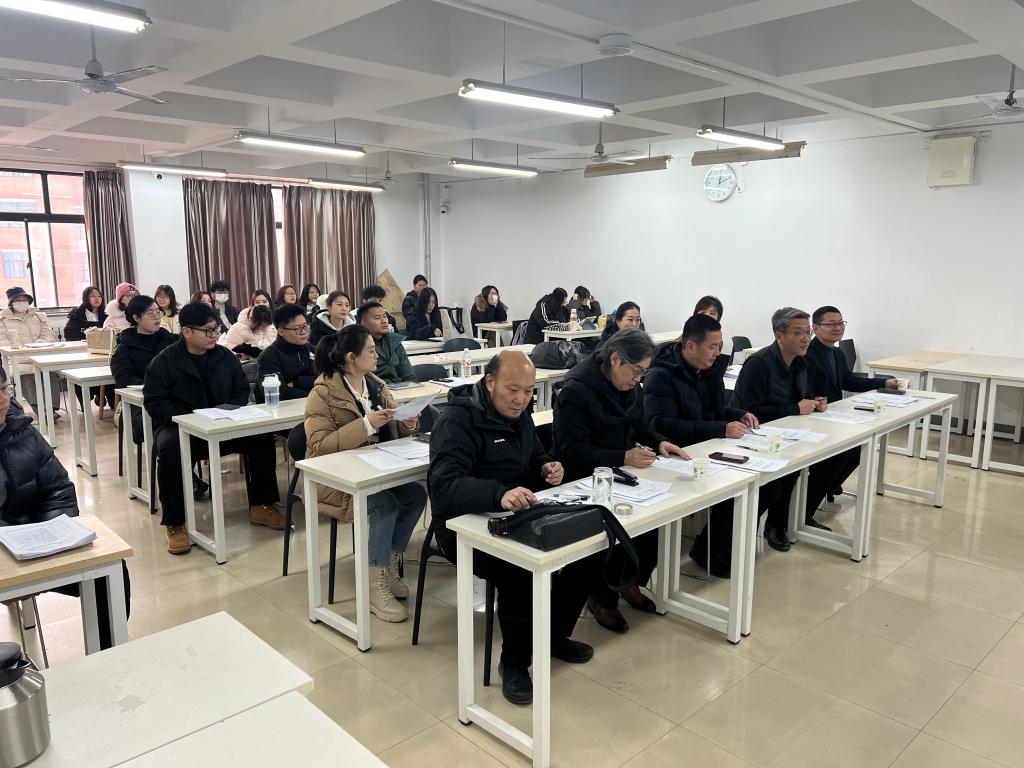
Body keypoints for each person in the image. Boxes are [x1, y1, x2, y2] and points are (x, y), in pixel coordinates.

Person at [429, 350, 596, 705]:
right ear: (490, 383)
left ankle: (552, 637)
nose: (521, 399)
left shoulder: (519, 415)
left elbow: (533, 455)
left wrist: (546, 466)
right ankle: (514, 662)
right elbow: (444, 486)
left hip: (516, 513)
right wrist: (498, 494)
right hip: (461, 525)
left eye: (529, 391)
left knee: (588, 550)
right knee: (519, 568)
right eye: (513, 390)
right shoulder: (457, 421)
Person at [553, 329, 690, 633]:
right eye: (637, 371)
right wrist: (624, 456)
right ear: (615, 359)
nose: (639, 379)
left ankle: (630, 581)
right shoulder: (577, 390)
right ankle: (601, 597)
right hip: (584, 477)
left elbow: (638, 425)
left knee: (658, 519)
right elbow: (573, 451)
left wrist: (659, 442)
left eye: (644, 372)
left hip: (621, 471)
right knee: (615, 527)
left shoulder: (628, 384)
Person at [645, 314, 788, 577]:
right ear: (690, 346)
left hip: (710, 447)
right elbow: (663, 424)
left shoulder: (709, 371)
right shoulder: (661, 375)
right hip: (680, 454)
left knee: (769, 485)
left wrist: (739, 414)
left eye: (720, 346)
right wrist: (720, 428)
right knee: (735, 486)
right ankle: (708, 549)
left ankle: (718, 544)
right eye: (712, 347)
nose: (717, 353)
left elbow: (716, 408)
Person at [0, 367, 130, 650]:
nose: (2, 399)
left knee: (108, 570)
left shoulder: (21, 430)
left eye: (3, 389)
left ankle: (111, 657)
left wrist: (51, 534)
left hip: (28, 543)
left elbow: (57, 489)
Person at [305, 325, 426, 622]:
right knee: (384, 505)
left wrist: (407, 423)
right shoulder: (323, 393)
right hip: (338, 477)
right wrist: (366, 425)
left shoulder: (376, 384)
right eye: (370, 350)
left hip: (378, 467)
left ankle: (389, 565)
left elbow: (395, 425)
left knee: (415, 495)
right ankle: (375, 584)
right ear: (351, 357)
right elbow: (320, 446)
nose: (376, 355)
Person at [144, 302, 283, 554]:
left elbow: (241, 390)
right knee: (170, 451)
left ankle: (262, 505)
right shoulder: (163, 362)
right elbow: (155, 403)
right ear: (187, 331)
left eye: (216, 329)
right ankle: (175, 523)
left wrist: (229, 410)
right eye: (208, 330)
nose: (214, 335)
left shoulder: (225, 356)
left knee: (260, 437)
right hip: (181, 427)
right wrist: (189, 418)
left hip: (224, 422)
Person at [730, 307, 826, 551]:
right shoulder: (759, 364)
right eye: (798, 333)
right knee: (782, 473)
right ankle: (762, 528)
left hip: (785, 433)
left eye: (808, 333)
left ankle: (780, 522)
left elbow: (802, 397)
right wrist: (795, 408)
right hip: (750, 434)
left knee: (807, 462)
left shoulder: (801, 362)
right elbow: (750, 410)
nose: (805, 339)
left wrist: (814, 402)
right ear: (779, 335)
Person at [804, 305, 899, 521]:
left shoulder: (837, 353)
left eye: (840, 323)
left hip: (833, 414)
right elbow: (804, 389)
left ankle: (831, 484)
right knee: (835, 458)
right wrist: (815, 402)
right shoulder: (809, 353)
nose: (837, 328)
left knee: (859, 447)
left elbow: (848, 381)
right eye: (831, 324)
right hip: (815, 416)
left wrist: (882, 383)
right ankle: (806, 509)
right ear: (815, 328)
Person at [110, 295, 183, 485]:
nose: (157, 317)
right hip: (138, 408)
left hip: (171, 402)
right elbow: (124, 379)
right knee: (167, 429)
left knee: (181, 421)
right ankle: (185, 481)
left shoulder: (171, 341)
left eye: (158, 312)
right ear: (136, 318)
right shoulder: (124, 348)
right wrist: (156, 383)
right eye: (150, 313)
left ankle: (185, 479)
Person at [0, 286, 60, 418]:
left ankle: (51, 409)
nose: (22, 303)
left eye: (24, 300)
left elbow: (48, 336)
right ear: (11, 303)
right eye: (18, 300)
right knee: (25, 373)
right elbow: (3, 343)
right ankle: (42, 411)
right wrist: (23, 350)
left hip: (41, 355)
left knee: (50, 372)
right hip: (17, 359)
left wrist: (34, 347)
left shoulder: (39, 316)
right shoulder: (2, 320)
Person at [256, 304, 316, 402]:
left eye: (305, 326)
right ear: (281, 331)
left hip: (315, 405)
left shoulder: (313, 350)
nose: (304, 332)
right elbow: (278, 392)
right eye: (298, 329)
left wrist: (297, 382)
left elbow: (327, 381)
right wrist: (315, 393)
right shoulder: (268, 357)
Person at [357, 302, 415, 384]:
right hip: (376, 389)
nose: (384, 321)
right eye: (377, 318)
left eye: (385, 316)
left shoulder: (394, 341)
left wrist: (408, 387)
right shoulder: (360, 345)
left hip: (400, 388)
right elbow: (362, 380)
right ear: (364, 324)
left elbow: (409, 375)